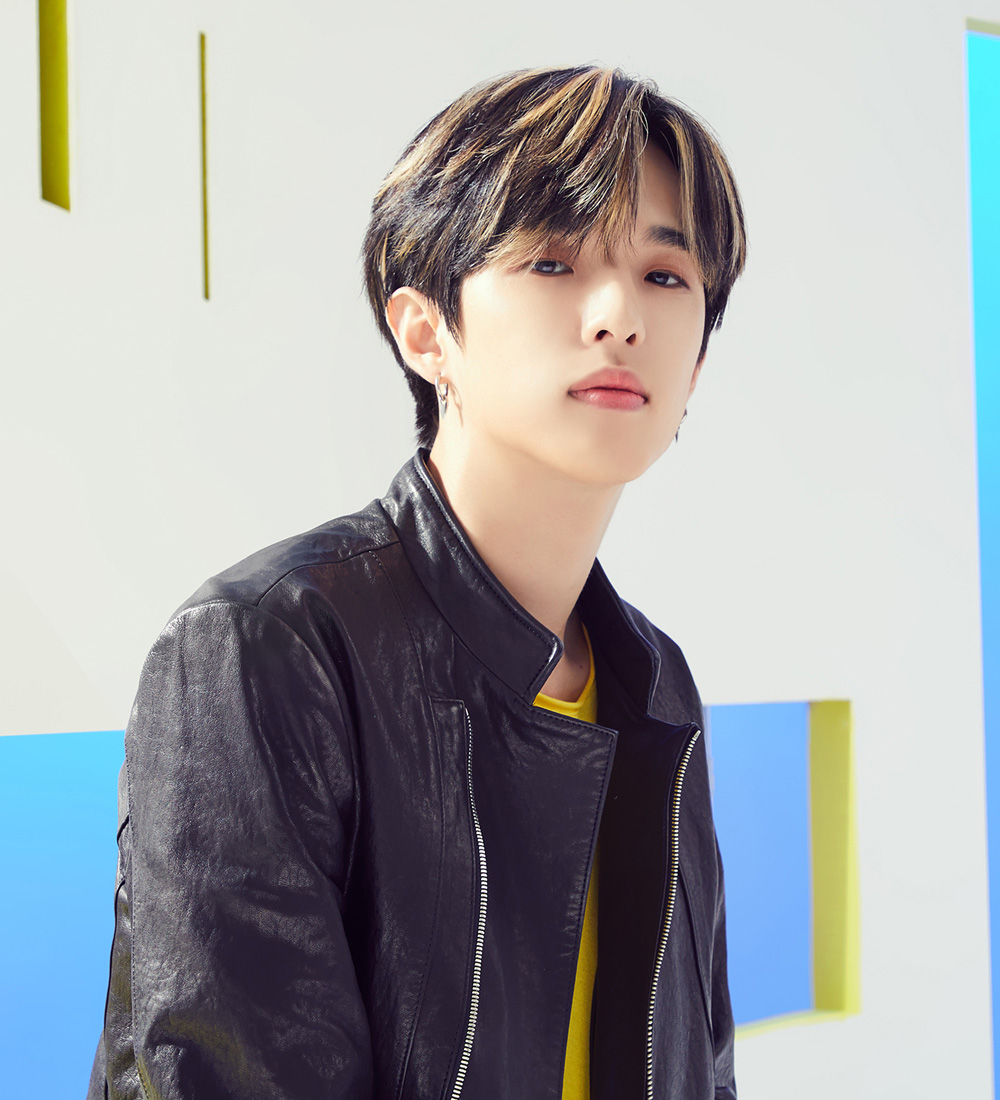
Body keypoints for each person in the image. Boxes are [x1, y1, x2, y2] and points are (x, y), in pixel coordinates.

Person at [88, 63, 746, 1100]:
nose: (619, 314)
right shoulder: (263, 647)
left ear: (698, 361)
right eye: (552, 261)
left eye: (667, 276)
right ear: (425, 331)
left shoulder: (655, 680)